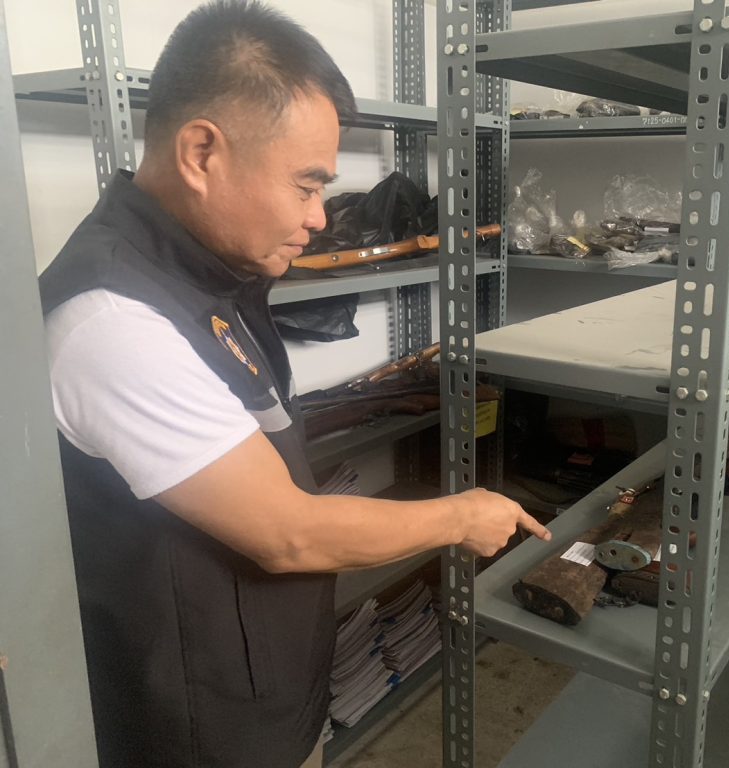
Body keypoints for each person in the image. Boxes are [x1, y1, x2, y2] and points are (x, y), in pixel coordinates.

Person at [39, 2, 550, 766]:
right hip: (206, 736)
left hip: (264, 692)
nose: (318, 218)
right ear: (202, 152)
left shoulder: (208, 278)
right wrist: (461, 516)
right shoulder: (113, 323)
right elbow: (289, 533)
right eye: (307, 186)